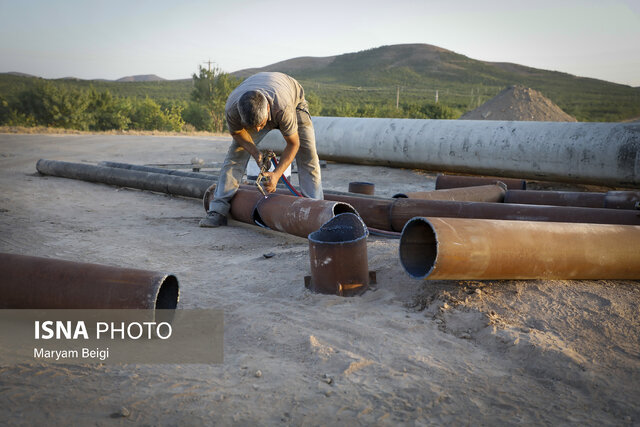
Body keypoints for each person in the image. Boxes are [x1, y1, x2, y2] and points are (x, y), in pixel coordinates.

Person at [200, 72, 324, 227]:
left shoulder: (283, 107)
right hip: (263, 93)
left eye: (261, 124)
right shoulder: (232, 109)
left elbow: (293, 144)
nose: (258, 130)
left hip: (292, 99)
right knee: (236, 155)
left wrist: (276, 175)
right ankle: (217, 210)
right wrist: (256, 153)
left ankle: (316, 211)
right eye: (253, 127)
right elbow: (237, 133)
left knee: (308, 154)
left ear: (268, 109)